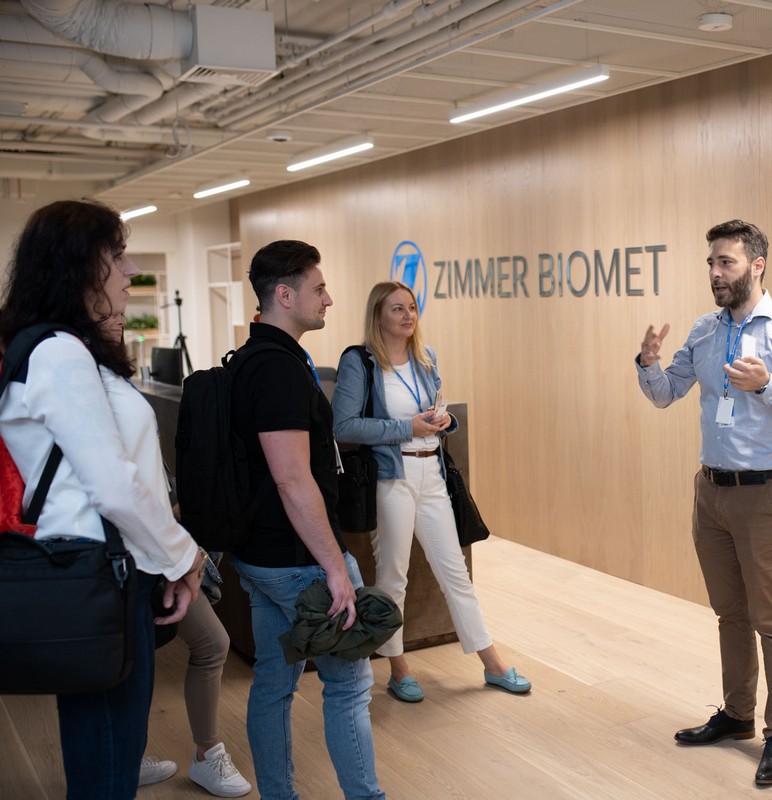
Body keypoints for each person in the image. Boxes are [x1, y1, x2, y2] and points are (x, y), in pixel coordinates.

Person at [0, 199, 204, 798]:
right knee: (108, 770)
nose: (130, 269)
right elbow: (112, 484)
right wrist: (184, 557)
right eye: (117, 255)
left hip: (111, 571)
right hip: (100, 576)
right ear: (79, 265)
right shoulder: (58, 352)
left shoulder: (59, 347)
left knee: (104, 757)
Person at [634, 220, 772, 787]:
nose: (716, 274)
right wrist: (647, 363)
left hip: (766, 494)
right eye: (711, 264)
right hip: (712, 493)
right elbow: (665, 394)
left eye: (726, 263)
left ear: (757, 265)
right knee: (731, 614)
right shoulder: (703, 330)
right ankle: (738, 714)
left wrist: (767, 385)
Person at [226, 240, 385, 800]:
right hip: (299, 561)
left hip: (262, 556)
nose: (329, 299)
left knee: (273, 683)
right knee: (349, 687)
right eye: (319, 289)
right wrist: (336, 569)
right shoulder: (277, 371)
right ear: (285, 295)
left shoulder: (255, 358)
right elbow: (293, 480)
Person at [332, 281, 531, 702]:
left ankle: (492, 663)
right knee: (393, 577)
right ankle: (398, 668)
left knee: (455, 571)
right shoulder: (359, 361)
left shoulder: (426, 357)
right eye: (397, 309)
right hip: (392, 477)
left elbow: (437, 412)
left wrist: (444, 422)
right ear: (378, 315)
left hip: (432, 472)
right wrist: (408, 427)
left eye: (412, 307)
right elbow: (344, 426)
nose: (408, 315)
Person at [138, 565, 252, 797]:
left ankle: (207, 754)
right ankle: (125, 758)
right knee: (127, 653)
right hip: (120, 563)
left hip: (165, 564)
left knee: (212, 643)